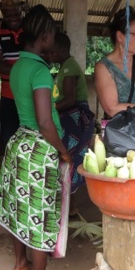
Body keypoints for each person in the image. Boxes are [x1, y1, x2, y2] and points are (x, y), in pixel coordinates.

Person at [0, 4, 71, 270]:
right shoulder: (40, 71)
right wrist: (63, 151)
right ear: (46, 35)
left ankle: (20, 263)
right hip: (39, 148)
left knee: (19, 208)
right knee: (40, 213)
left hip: (19, 143)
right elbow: (46, 122)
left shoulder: (19, 66)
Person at [50, 32, 96, 201]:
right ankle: (68, 204)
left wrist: (51, 108)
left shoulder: (70, 67)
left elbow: (70, 99)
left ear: (62, 50)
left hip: (75, 117)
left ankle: (71, 205)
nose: (49, 54)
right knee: (69, 159)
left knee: (71, 158)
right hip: (69, 116)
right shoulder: (65, 67)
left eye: (52, 51)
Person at [0, 0, 25, 155]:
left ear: (21, 10)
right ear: (2, 12)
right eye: (7, 14)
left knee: (31, 138)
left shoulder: (30, 27)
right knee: (9, 139)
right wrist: (27, 74)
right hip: (9, 95)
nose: (12, 17)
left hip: (31, 94)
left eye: (15, 13)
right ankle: (9, 175)